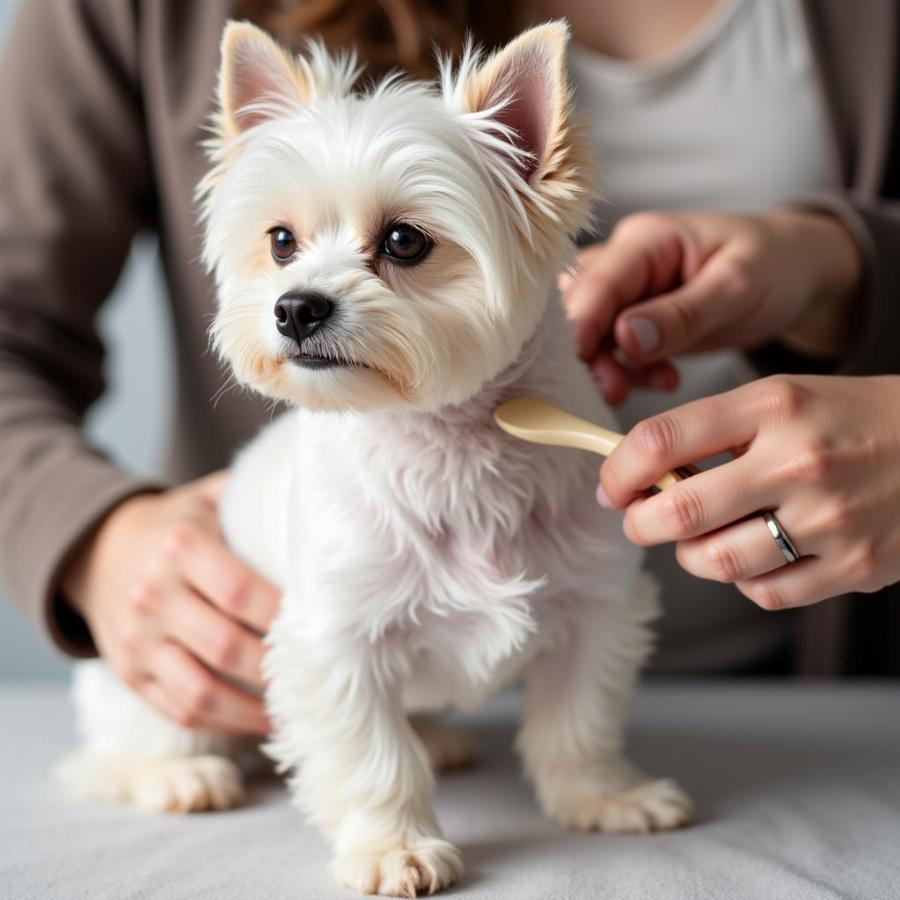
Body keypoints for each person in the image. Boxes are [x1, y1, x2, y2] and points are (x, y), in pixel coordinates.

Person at [0, 0, 897, 737]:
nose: (302, 292)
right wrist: (95, 540)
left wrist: (849, 266)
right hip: (239, 685)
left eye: (401, 243)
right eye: (282, 243)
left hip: (811, 709)